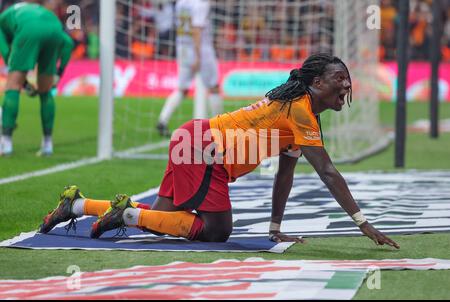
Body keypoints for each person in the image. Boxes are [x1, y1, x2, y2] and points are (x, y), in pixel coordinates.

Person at [39, 53, 400, 249]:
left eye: (347, 78)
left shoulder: (302, 115)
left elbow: (285, 174)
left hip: (193, 137)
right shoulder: (301, 109)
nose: (347, 84)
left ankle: (77, 206)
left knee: (167, 219)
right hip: (206, 150)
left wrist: (275, 227)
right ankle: (127, 216)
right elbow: (329, 173)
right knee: (217, 231)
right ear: (317, 82)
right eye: (340, 79)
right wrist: (362, 223)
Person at [0, 1, 74, 156]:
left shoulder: (2, 21)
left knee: (12, 87)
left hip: (29, 29)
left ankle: (5, 144)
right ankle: (47, 144)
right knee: (46, 91)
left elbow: (7, 55)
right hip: (54, 27)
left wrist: (22, 82)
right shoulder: (34, 10)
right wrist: (59, 73)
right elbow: (68, 43)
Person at [156, 0, 223, 137]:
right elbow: (196, 29)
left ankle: (162, 120)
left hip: (183, 48)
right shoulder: (201, 4)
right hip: (201, 50)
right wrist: (198, 56)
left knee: (182, 89)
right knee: (213, 87)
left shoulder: (181, 3)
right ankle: (220, 126)